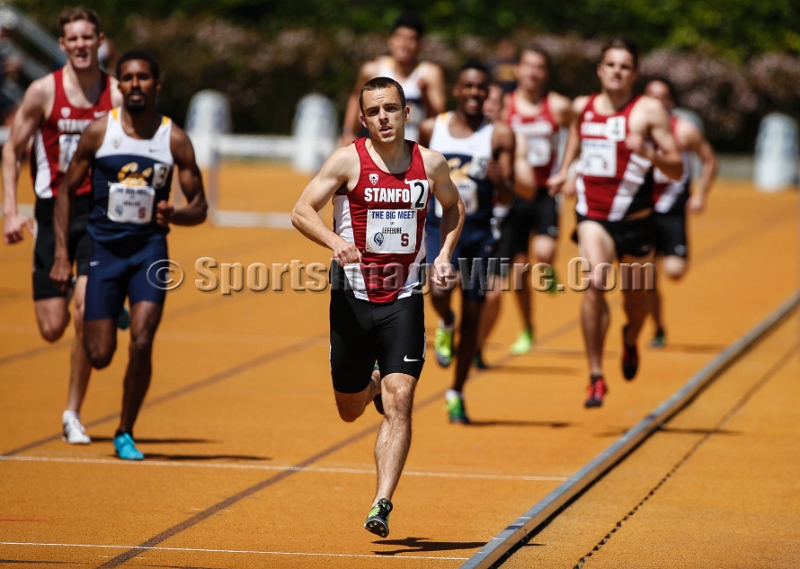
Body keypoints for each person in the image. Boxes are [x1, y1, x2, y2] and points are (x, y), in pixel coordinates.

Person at [292, 77, 464, 537]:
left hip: (404, 297)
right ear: (363, 118)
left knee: (402, 400)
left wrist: (444, 257)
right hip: (351, 298)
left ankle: (381, 501)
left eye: (392, 108)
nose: (384, 118)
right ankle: (367, 386)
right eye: (374, 111)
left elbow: (454, 208)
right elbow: (301, 210)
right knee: (350, 408)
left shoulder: (430, 164)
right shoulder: (348, 160)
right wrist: (334, 241)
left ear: (408, 113)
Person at [50, 50, 207, 459]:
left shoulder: (173, 138)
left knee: (142, 342)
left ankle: (125, 430)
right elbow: (66, 191)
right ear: (118, 85)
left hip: (149, 253)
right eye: (128, 78)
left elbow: (200, 206)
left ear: (157, 84)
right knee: (100, 356)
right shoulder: (101, 133)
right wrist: (63, 255)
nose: (135, 84)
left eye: (143, 78)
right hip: (103, 249)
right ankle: (112, 305)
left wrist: (177, 214)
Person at [2, 8, 122, 444]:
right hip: (53, 209)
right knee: (51, 327)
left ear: (100, 40)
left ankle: (73, 412)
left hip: (101, 212)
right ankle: (95, 293)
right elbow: (12, 152)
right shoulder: (41, 92)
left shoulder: (117, 94)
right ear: (62, 45)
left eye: (88, 37)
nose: (81, 45)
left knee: (84, 310)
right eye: (72, 39)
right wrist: (11, 209)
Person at [548, 38, 683, 407]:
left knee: (636, 302)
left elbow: (677, 168)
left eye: (624, 66)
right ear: (600, 69)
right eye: (610, 65)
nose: (616, 72)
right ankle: (595, 374)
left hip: (637, 222)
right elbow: (574, 140)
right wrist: (564, 173)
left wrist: (649, 152)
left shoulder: (649, 112)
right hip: (593, 215)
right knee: (594, 281)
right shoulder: (583, 107)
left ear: (635, 73)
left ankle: (629, 339)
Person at [419, 62, 515, 422]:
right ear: (457, 90)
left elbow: (507, 197)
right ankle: (445, 323)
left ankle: (456, 391)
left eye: (481, 88)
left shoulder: (500, 134)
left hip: (478, 232)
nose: (475, 94)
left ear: (488, 94)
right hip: (438, 227)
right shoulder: (433, 128)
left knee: (474, 318)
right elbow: (415, 177)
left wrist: (500, 178)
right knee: (440, 289)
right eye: (468, 87)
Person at [498, 44, 573, 356]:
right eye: (527, 65)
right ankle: (528, 327)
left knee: (543, 252)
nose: (532, 72)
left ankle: (548, 267)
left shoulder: (556, 105)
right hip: (514, 195)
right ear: (517, 69)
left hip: (545, 192)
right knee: (517, 273)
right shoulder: (505, 105)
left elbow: (578, 131)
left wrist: (567, 171)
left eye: (539, 66)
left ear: (546, 73)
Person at [643, 77, 718, 347]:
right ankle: (658, 328)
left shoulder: (684, 131)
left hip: (673, 210)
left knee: (674, 271)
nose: (656, 102)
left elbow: (710, 160)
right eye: (651, 95)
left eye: (662, 96)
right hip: (642, 212)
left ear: (670, 101)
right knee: (645, 277)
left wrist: (700, 194)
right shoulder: (636, 129)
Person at [339, 12, 445, 144]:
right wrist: (348, 131)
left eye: (410, 39)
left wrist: (424, 93)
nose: (404, 44)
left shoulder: (429, 73)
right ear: (391, 40)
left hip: (412, 147)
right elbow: (356, 97)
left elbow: (439, 118)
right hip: (374, 145)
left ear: (419, 44)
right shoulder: (373, 69)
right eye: (399, 38)